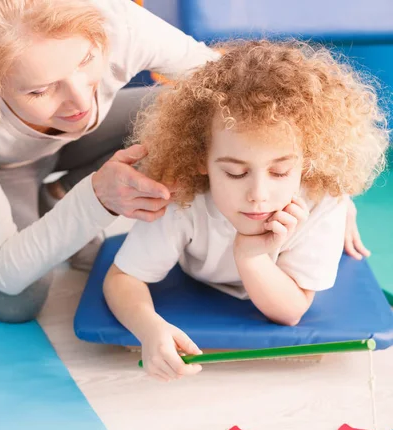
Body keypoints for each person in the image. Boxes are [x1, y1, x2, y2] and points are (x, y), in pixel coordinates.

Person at [103, 40, 388, 382]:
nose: (258, 196)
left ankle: (348, 208)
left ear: (307, 161)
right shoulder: (182, 198)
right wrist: (149, 329)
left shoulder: (319, 203)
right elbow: (123, 278)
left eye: (280, 172)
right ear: (200, 160)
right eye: (236, 172)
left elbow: (292, 311)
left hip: (324, 205)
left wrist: (251, 256)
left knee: (339, 203)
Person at [0, 0, 218, 322]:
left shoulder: (115, 18)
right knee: (14, 302)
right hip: (4, 171)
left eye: (85, 60)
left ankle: (59, 195)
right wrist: (96, 199)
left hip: (74, 144)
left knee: (185, 108)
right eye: (40, 91)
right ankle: (63, 199)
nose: (81, 101)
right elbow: (6, 277)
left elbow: (222, 80)